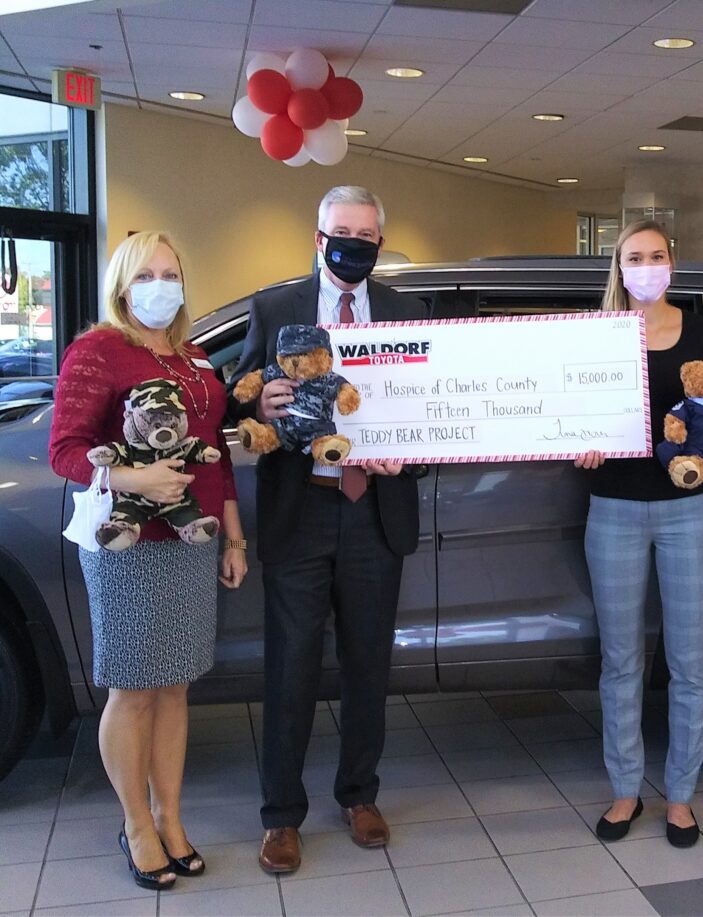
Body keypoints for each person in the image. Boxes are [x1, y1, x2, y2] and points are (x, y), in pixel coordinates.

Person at [228, 186, 425, 875]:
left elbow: (435, 409)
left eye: (367, 233)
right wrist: (265, 393)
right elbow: (237, 391)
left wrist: (415, 452)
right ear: (318, 237)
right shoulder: (275, 307)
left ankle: (359, 794)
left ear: (380, 239)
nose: (354, 243)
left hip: (377, 508)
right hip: (300, 510)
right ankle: (282, 815)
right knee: (291, 669)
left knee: (369, 664)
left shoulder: (406, 313)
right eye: (342, 231)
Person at [49, 231, 247, 891]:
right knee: (133, 688)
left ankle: (171, 815)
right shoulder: (98, 349)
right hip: (127, 544)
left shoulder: (193, 356)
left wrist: (234, 536)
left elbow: (213, 450)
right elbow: (66, 450)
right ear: (122, 287)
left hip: (191, 541)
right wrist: (136, 480)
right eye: (146, 276)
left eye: (171, 272)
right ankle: (136, 822)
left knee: (176, 684)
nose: (160, 286)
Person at [575, 220, 703, 848]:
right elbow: (572, 410)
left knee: (689, 661)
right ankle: (626, 790)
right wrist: (578, 445)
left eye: (656, 255)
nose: (646, 266)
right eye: (633, 257)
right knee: (620, 661)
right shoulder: (597, 335)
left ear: (672, 262)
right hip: (612, 508)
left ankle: (681, 797)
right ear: (617, 267)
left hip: (686, 513)